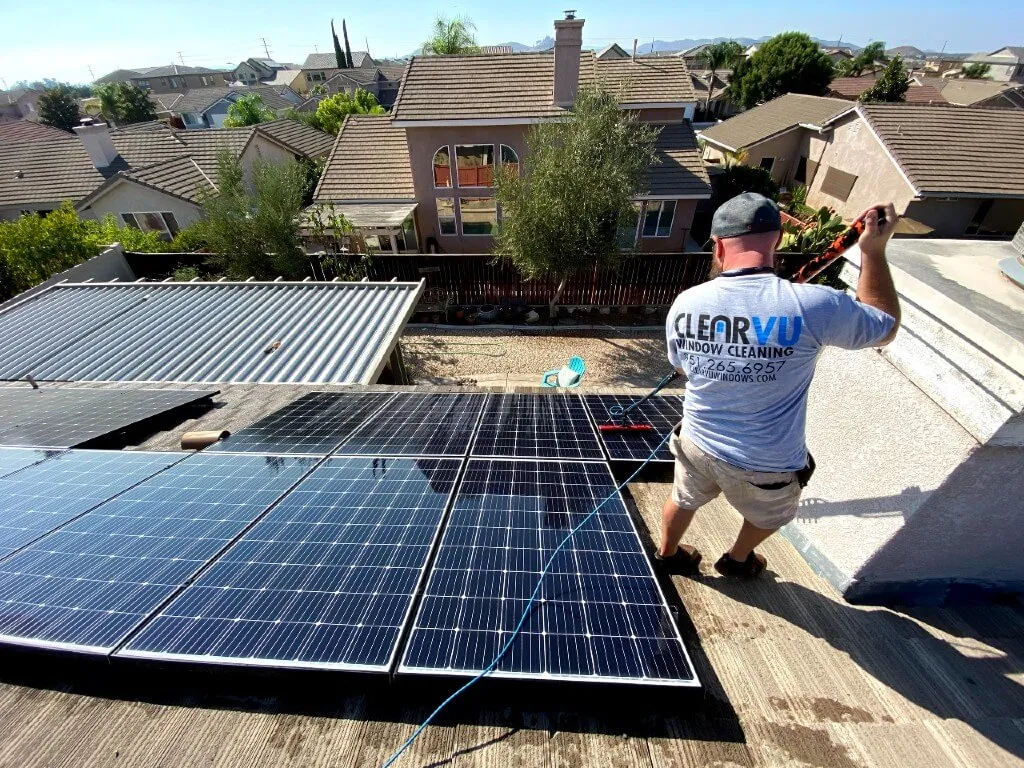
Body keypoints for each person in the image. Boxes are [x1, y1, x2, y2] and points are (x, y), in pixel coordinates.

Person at [657, 193, 900, 578]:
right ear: (779, 238)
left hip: (697, 441)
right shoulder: (815, 305)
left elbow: (683, 367)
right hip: (765, 462)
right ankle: (737, 561)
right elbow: (883, 326)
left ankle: (668, 555)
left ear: (718, 246)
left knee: (682, 499)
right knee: (773, 514)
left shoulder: (686, 303)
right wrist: (872, 252)